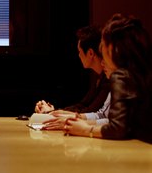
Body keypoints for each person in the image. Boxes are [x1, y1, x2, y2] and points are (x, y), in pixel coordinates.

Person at [64, 14, 152, 142]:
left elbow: (117, 127)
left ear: (114, 49)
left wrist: (84, 129)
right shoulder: (143, 72)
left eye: (103, 44)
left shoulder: (122, 76)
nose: (101, 49)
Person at [35, 25, 109, 114]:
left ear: (90, 53)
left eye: (79, 52)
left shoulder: (109, 79)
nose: (78, 56)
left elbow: (91, 111)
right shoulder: (99, 77)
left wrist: (53, 113)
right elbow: (82, 105)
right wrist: (54, 111)